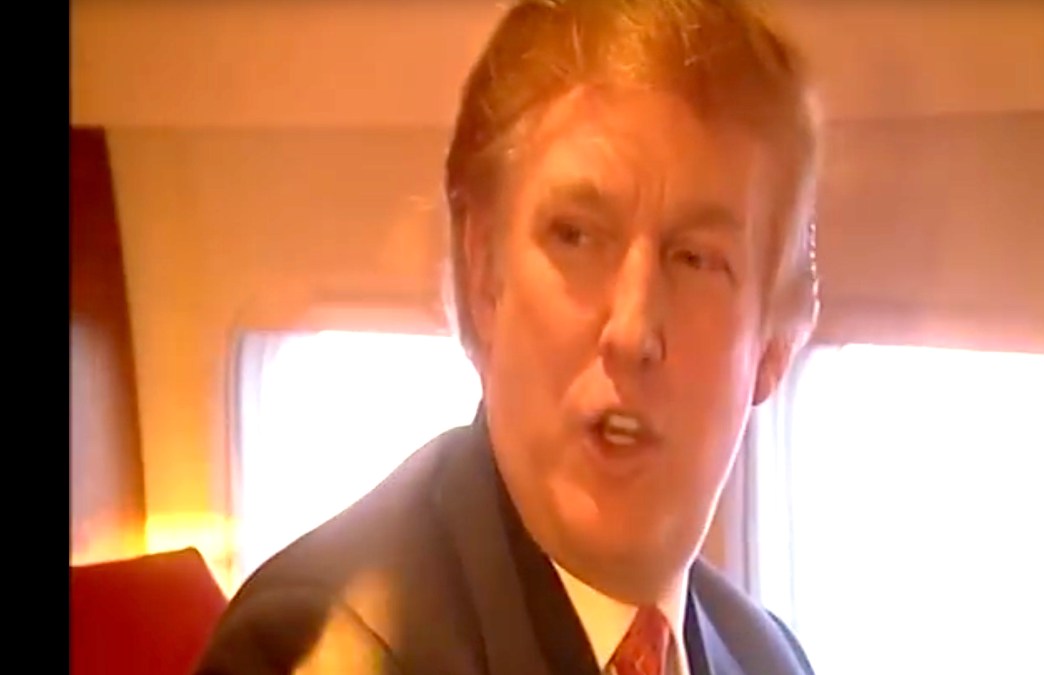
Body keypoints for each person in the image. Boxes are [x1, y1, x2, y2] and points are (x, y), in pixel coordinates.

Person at [195, 0, 821, 672]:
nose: (633, 329)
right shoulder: (325, 649)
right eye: (576, 237)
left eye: (696, 259)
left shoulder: (767, 655)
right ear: (484, 274)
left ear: (775, 346)